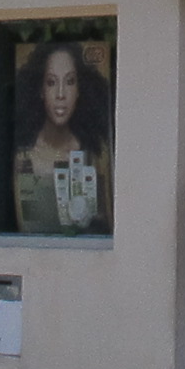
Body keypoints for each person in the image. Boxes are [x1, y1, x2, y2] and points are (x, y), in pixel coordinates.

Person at [7, 36, 113, 235]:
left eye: (70, 82)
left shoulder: (96, 155)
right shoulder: (23, 156)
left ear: (80, 89)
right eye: (51, 82)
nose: (61, 94)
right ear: (40, 89)